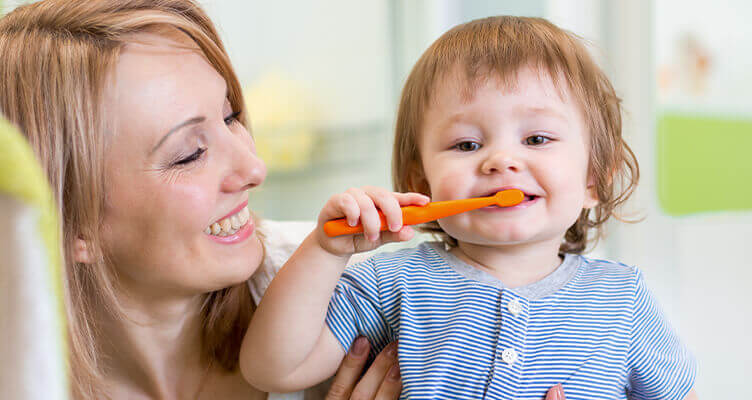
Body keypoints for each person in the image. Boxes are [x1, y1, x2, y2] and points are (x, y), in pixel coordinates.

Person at [240, 16, 698, 399]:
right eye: (466, 144)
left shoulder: (622, 301)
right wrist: (326, 250)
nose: (500, 160)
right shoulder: (391, 284)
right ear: (423, 184)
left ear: (593, 179)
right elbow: (273, 369)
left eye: (536, 138)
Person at [0, 0, 402, 398]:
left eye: (230, 116)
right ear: (71, 222)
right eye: (190, 153)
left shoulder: (360, 300)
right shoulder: (2, 376)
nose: (254, 169)